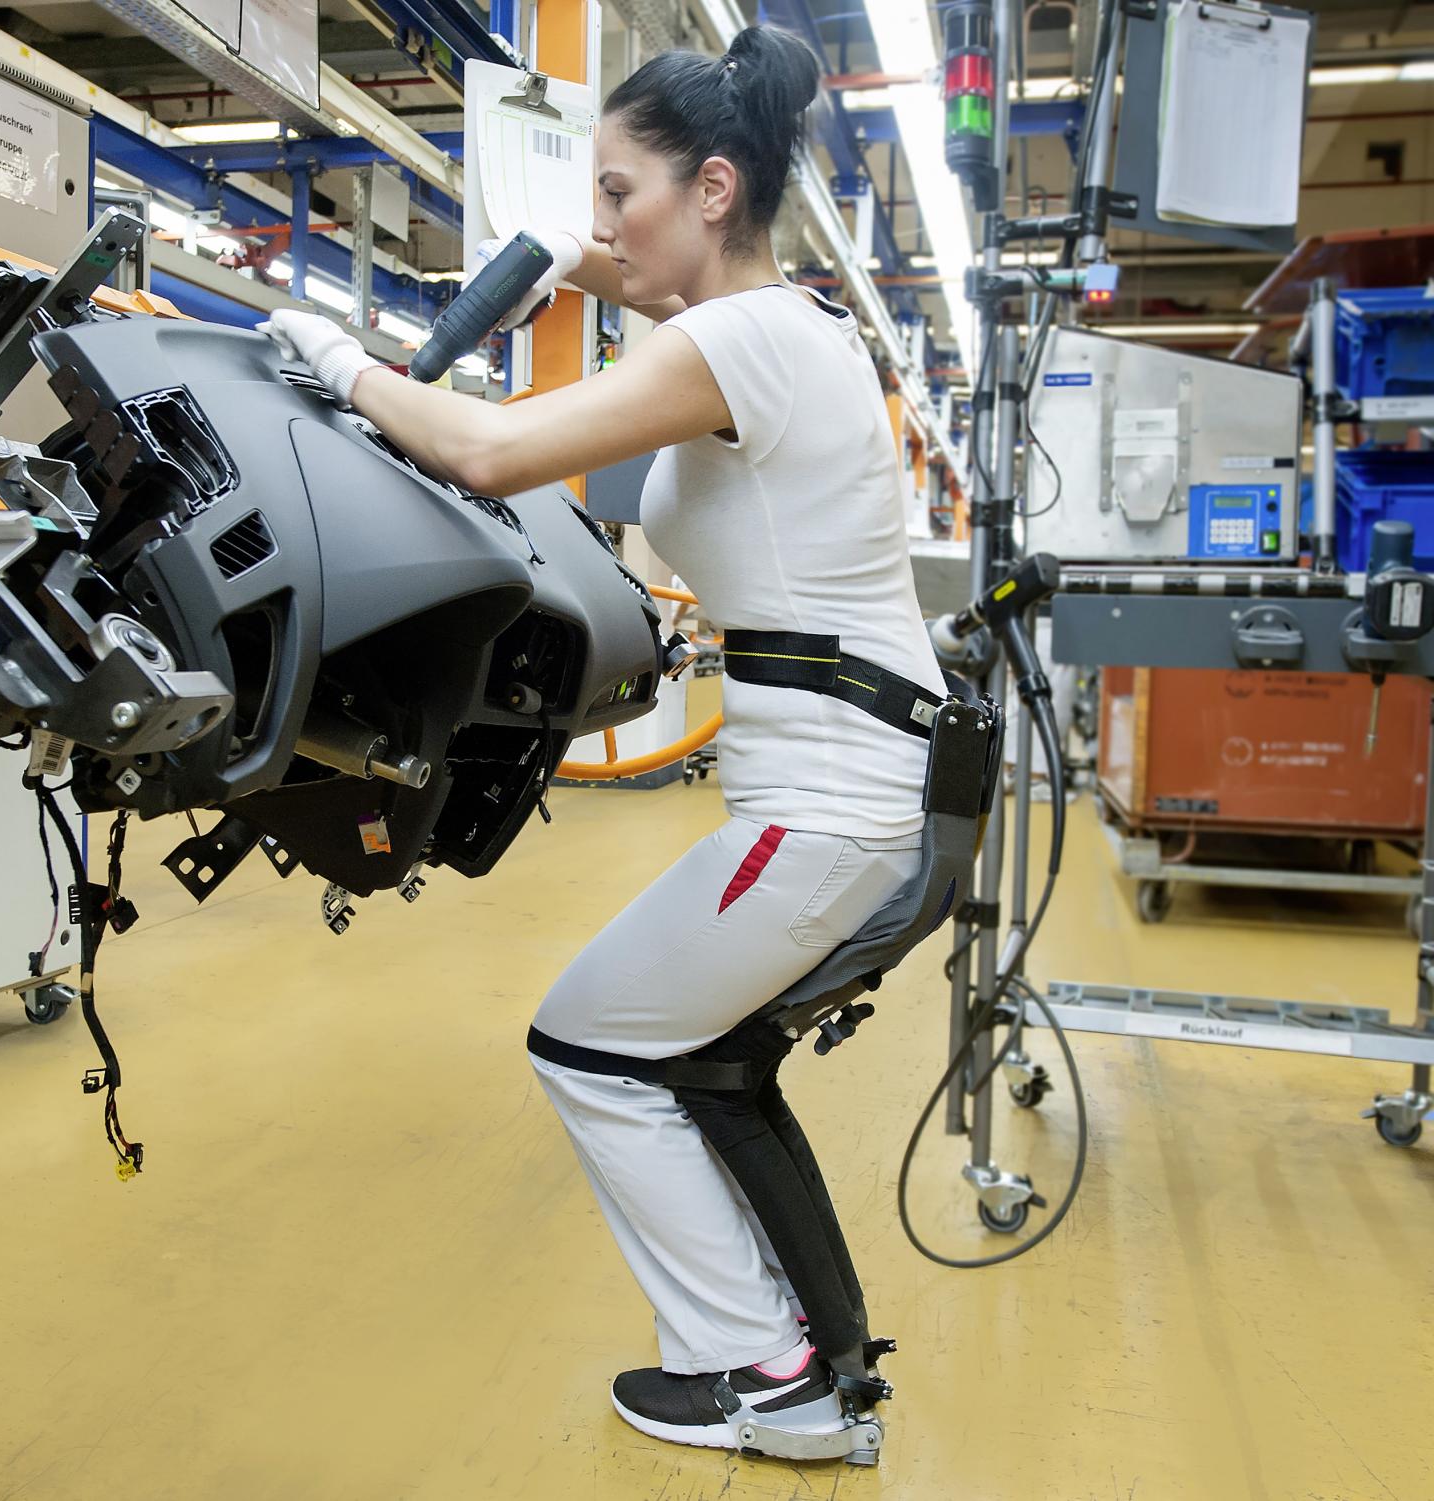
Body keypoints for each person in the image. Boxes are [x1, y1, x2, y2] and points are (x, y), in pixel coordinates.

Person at [260, 23, 943, 1461]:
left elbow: (494, 452)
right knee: (692, 1054)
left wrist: (337, 362)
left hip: (827, 810)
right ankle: (797, 1360)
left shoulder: (742, 340)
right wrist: (577, 265)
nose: (603, 222)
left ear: (713, 189)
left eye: (621, 191)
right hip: (852, 793)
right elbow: (628, 345)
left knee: (591, 1040)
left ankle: (767, 1373)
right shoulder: (779, 329)